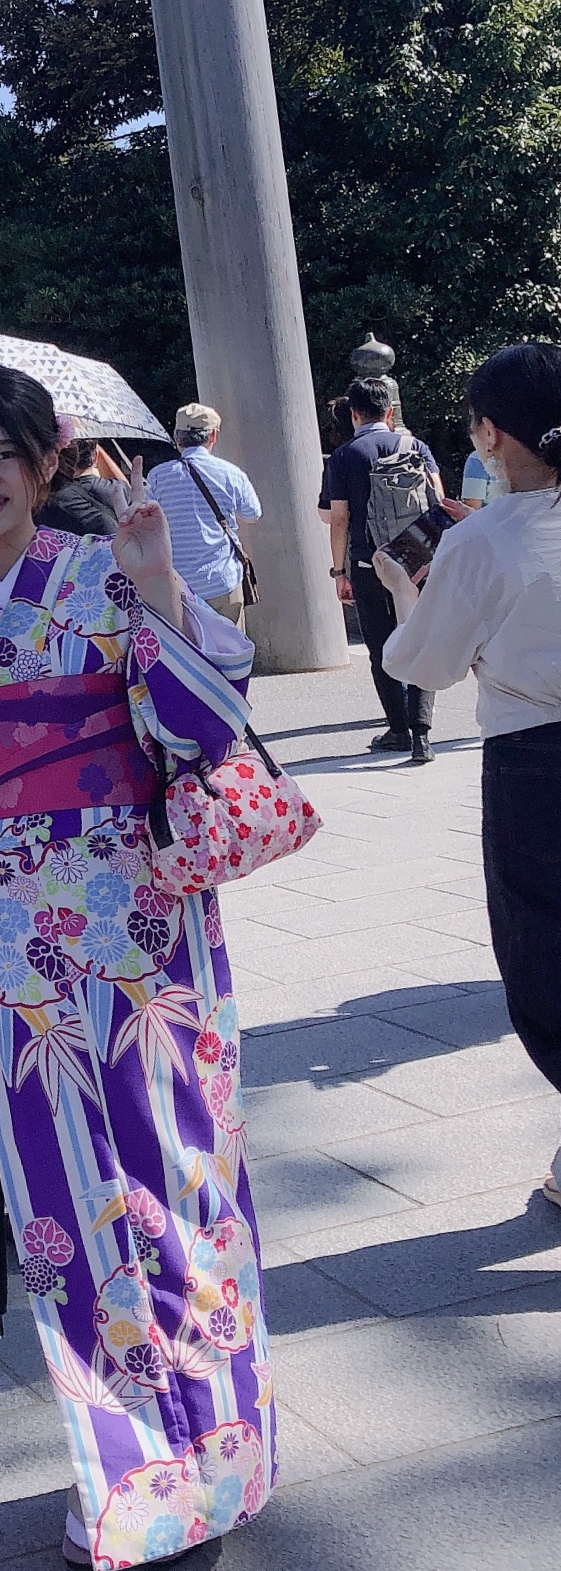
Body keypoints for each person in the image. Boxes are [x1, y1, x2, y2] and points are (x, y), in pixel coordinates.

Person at [0, 363, 271, 1570]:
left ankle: (221, 1446)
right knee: (61, 1205)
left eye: (5, 455)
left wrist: (156, 588)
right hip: (10, 948)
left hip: (147, 930)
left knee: (182, 1177)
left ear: (48, 461)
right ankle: (126, 1469)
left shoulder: (103, 576)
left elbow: (199, 731)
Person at [375, 343, 561, 1207]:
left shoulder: (482, 537)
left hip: (535, 759)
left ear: (490, 433)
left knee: (543, 951)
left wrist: (404, 583)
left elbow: (424, 664)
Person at [320, 376, 444, 763]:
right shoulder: (415, 446)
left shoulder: (344, 456)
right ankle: (423, 733)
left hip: (368, 559)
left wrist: (338, 570)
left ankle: (398, 729)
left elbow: (337, 518)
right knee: (420, 636)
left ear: (353, 413)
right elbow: (438, 500)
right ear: (389, 411)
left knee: (380, 645)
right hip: (416, 558)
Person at [146, 404, 262, 625]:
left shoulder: (157, 477)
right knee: (231, 652)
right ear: (213, 435)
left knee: (189, 654)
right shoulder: (231, 473)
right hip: (222, 579)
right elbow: (253, 514)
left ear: (176, 438)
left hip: (178, 584)